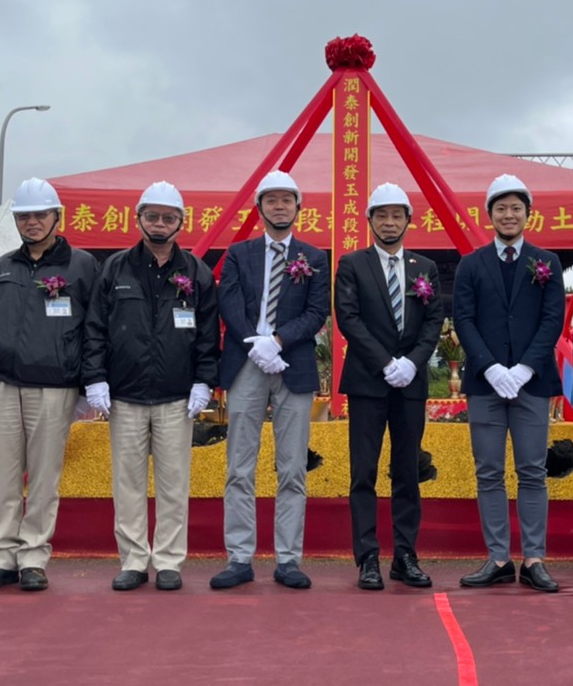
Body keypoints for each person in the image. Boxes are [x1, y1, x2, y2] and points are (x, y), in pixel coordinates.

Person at [83, 181, 218, 593]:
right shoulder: (115, 269)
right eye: (153, 216)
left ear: (181, 222)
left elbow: (209, 336)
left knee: (175, 482)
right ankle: (134, 560)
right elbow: (95, 329)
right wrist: (95, 377)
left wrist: (204, 382)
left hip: (177, 397)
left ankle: (169, 560)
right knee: (127, 483)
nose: (160, 224)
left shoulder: (196, 273)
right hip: (124, 395)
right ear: (138, 218)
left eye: (169, 217)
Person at [0, 178, 97, 592]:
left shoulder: (82, 265)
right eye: (25, 217)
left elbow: (95, 327)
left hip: (55, 386)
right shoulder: (2, 266)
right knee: (2, 476)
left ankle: (34, 557)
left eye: (41, 215)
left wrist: (87, 383)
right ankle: (1, 556)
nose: (33, 223)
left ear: (57, 217)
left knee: (43, 477)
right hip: (2, 383)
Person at [210, 170, 329, 591]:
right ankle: (239, 558)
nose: (279, 206)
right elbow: (229, 302)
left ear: (299, 207)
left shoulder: (315, 257)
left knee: (292, 467)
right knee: (240, 467)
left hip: (292, 368)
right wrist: (255, 343)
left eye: (287, 200)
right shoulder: (239, 253)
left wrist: (277, 342)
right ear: (259, 207)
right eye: (271, 200)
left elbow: (317, 313)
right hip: (245, 364)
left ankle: (288, 559)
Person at [453, 174, 565, 593]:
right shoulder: (471, 263)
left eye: (516, 208)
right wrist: (491, 368)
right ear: (490, 216)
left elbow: (552, 319)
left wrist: (524, 368)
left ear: (527, 215)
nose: (509, 214)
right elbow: (463, 319)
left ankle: (534, 558)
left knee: (533, 471)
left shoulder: (547, 262)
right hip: (486, 385)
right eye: (501, 208)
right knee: (489, 472)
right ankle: (498, 557)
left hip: (531, 384)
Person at [335, 183, 445, 591]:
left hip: (410, 385)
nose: (389, 222)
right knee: (363, 472)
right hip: (368, 382)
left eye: (397, 215)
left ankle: (404, 556)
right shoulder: (352, 264)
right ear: (369, 221)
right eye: (381, 215)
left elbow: (434, 321)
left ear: (408, 220)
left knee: (407, 472)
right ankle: (366, 557)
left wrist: (412, 364)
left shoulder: (425, 268)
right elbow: (348, 319)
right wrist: (385, 363)